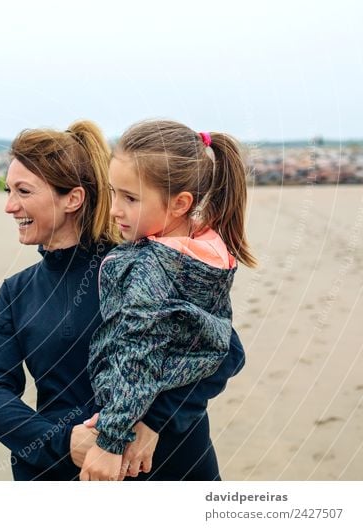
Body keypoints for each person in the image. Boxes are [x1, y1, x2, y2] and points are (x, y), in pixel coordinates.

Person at [0, 120, 246, 481]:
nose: (10, 206)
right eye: (8, 191)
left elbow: (226, 351)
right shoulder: (17, 291)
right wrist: (63, 442)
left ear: (72, 198)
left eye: (23, 192)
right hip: (67, 472)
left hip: (166, 468)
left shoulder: (138, 266)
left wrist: (152, 422)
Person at [80, 120, 255, 481]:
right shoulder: (208, 254)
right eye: (114, 193)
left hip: (138, 452)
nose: (114, 209)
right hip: (190, 443)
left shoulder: (150, 268)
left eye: (130, 198)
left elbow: (136, 356)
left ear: (180, 203)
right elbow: (225, 347)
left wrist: (110, 440)